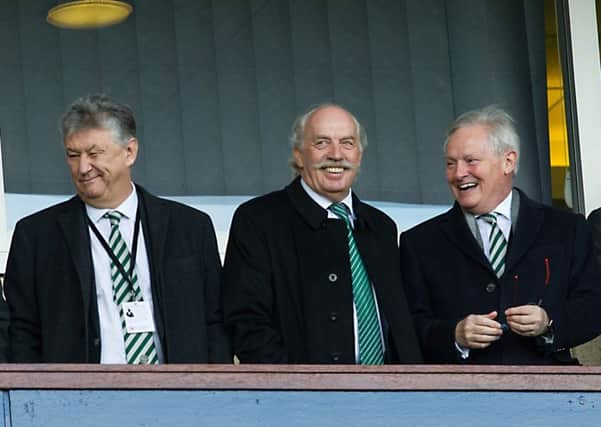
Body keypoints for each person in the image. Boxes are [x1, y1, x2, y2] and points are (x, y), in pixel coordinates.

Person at [4, 94, 231, 363]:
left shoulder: (190, 228)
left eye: (95, 153)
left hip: (178, 394)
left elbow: (215, 323)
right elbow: (23, 333)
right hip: (80, 396)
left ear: (130, 152)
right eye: (73, 155)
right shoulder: (37, 236)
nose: (83, 167)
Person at [400, 105, 601, 364]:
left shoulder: (566, 229)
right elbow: (407, 325)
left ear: (508, 161)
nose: (459, 173)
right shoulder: (419, 242)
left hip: (549, 391)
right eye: (451, 163)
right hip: (458, 395)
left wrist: (548, 322)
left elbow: (593, 306)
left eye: (471, 161)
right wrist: (455, 335)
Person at [223, 104, 421, 364]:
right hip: (303, 397)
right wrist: (300, 389)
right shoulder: (259, 220)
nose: (336, 154)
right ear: (299, 155)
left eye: (347, 143)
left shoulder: (381, 227)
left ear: (359, 155)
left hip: (388, 395)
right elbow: (246, 322)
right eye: (322, 143)